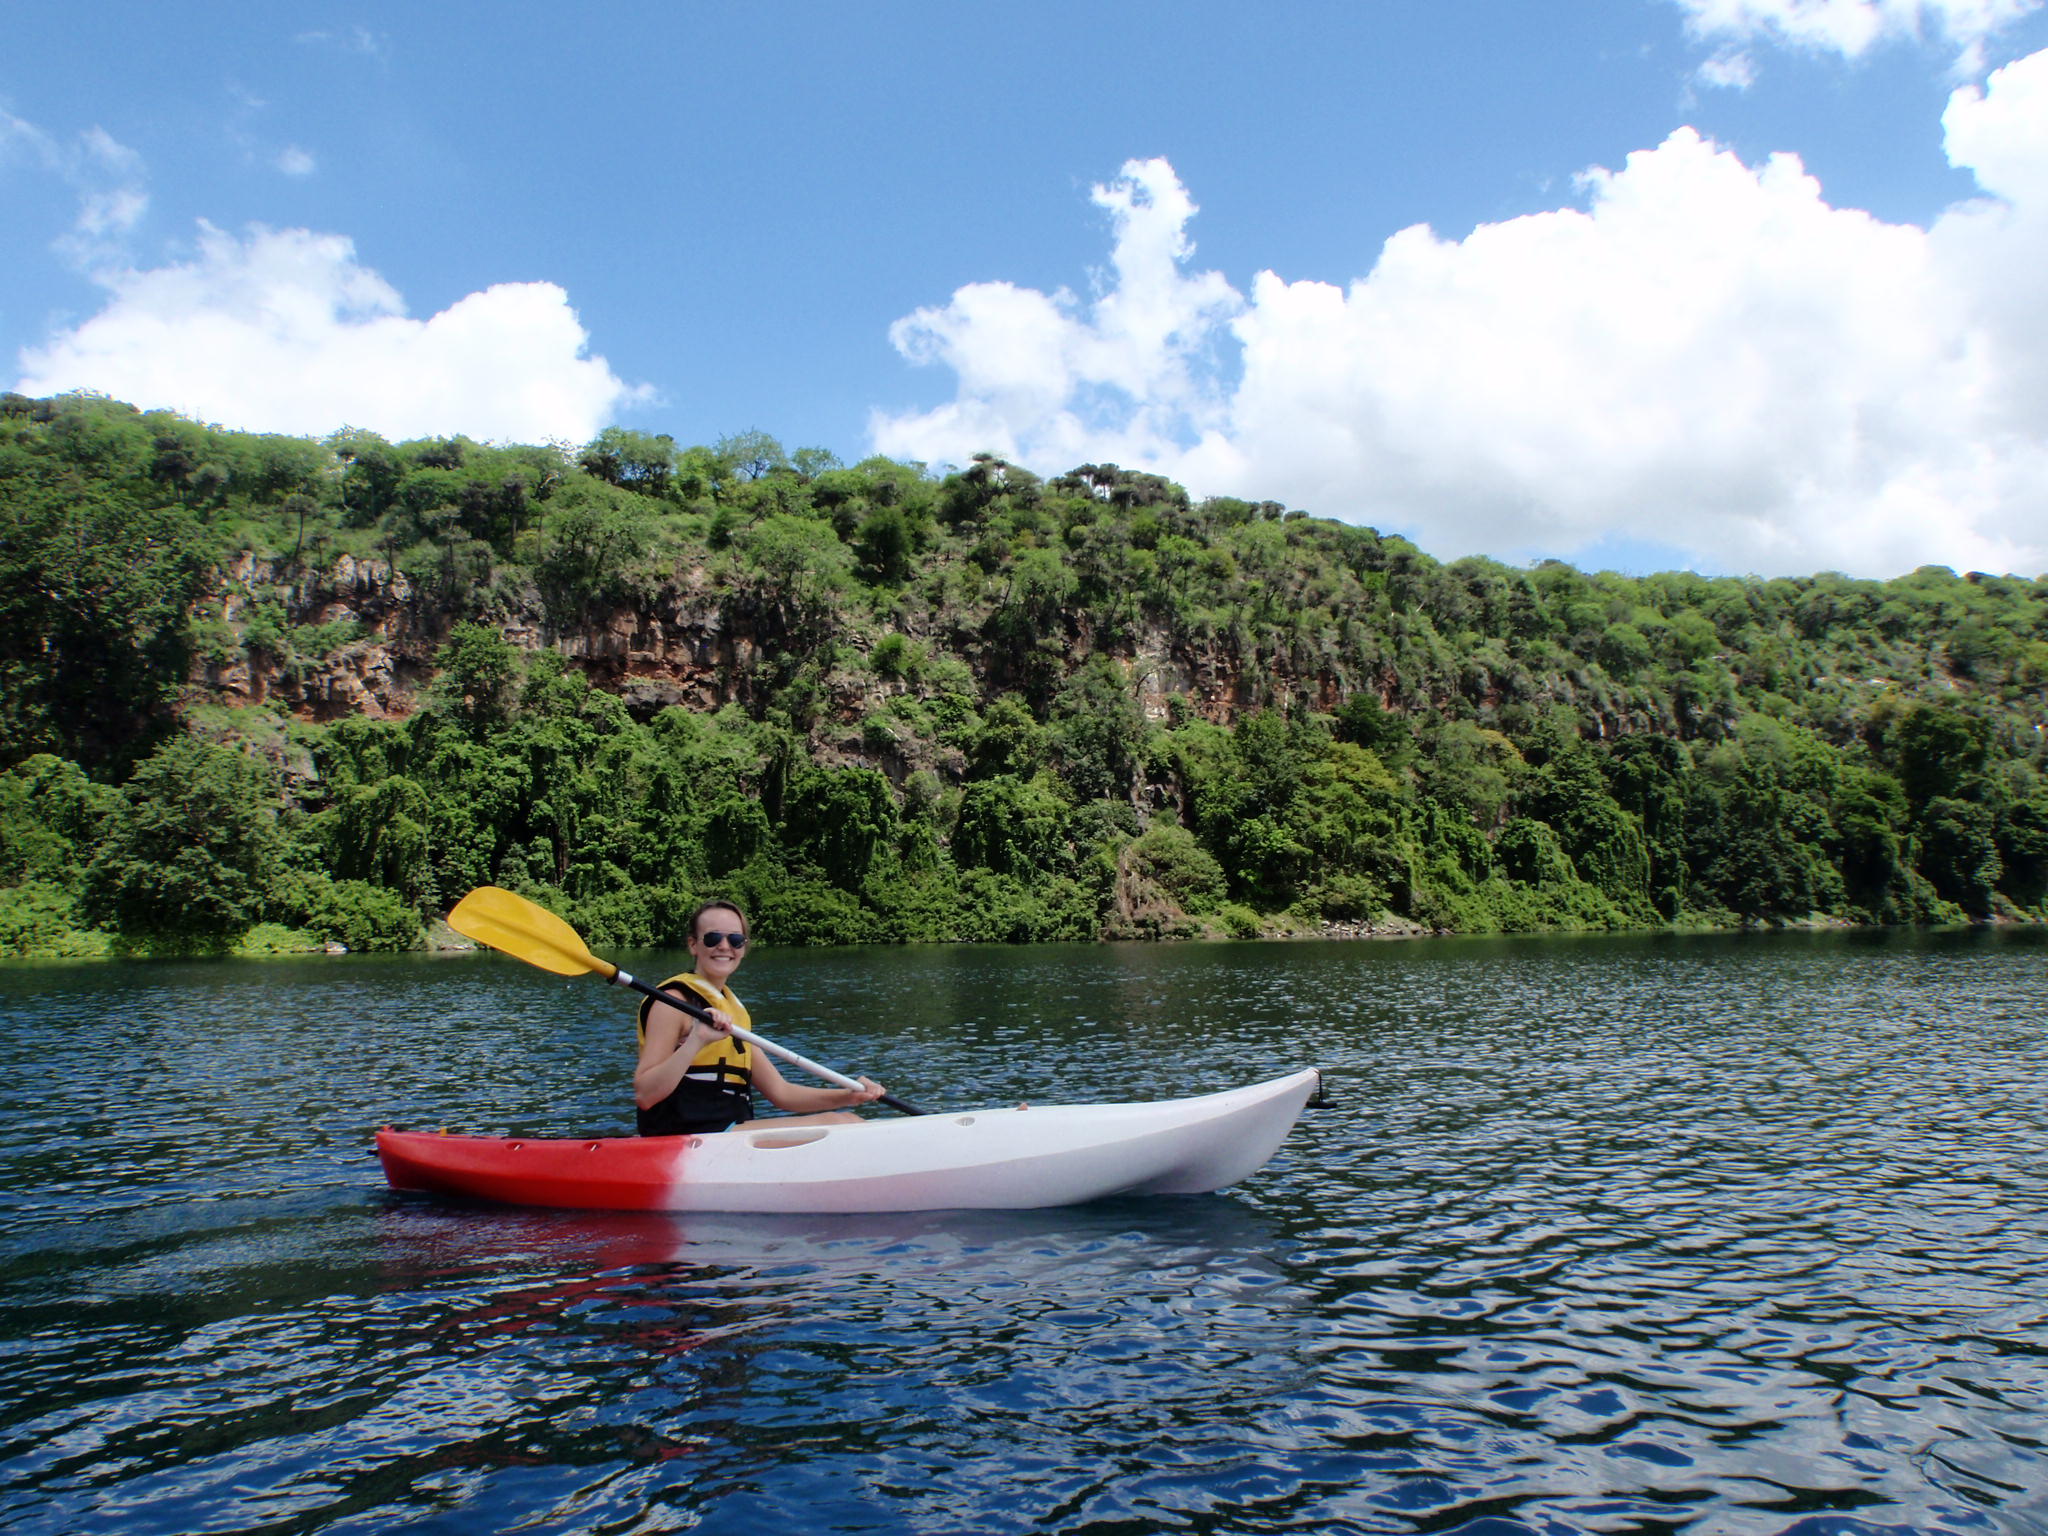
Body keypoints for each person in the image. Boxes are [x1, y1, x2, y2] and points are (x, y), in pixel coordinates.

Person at [634, 898, 886, 1136]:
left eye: (735, 939)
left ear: (743, 947)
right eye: (712, 938)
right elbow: (646, 1094)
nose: (724, 946)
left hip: (728, 1133)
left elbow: (782, 1093)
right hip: (685, 1136)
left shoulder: (734, 1012)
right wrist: (696, 1040)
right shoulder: (673, 1002)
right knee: (844, 1124)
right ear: (693, 945)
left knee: (848, 1118)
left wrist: (849, 1095)